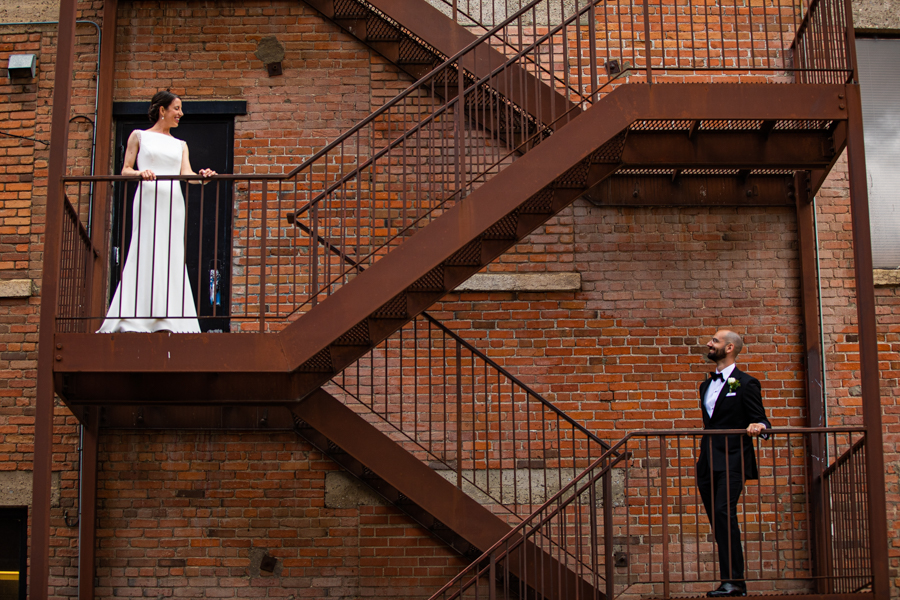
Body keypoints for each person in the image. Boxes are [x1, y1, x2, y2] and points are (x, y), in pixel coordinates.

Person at [98, 91, 216, 333]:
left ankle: (171, 316)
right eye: (177, 108)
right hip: (149, 198)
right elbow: (125, 170)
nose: (180, 114)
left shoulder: (180, 144)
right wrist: (141, 173)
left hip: (173, 201)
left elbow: (187, 175)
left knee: (171, 251)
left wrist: (203, 177)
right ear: (162, 110)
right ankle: (136, 315)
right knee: (145, 248)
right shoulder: (139, 136)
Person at [696, 330, 770, 597]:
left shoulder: (746, 383)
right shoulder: (705, 386)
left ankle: (734, 581)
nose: (708, 343)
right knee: (718, 520)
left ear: (729, 348)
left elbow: (762, 420)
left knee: (724, 513)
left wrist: (758, 426)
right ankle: (731, 580)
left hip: (733, 459)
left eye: (714, 341)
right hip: (707, 461)